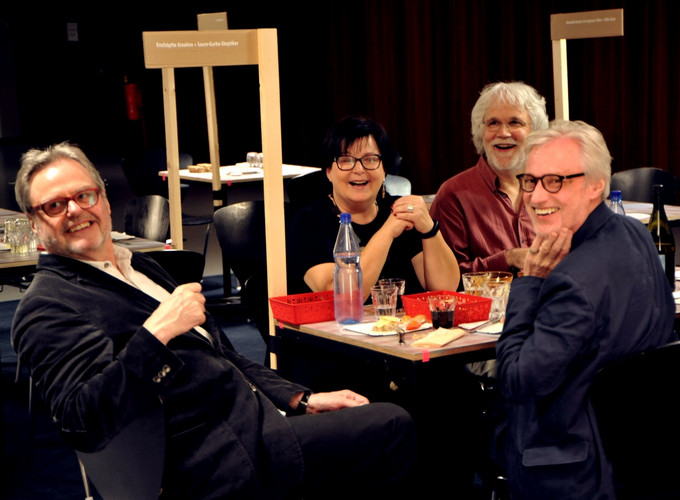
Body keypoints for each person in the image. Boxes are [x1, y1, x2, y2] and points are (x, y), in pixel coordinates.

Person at [10, 142, 418, 500]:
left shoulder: (141, 267)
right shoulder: (48, 304)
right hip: (215, 459)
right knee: (391, 425)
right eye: (54, 205)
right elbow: (84, 420)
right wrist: (158, 332)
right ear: (34, 222)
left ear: (105, 199)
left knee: (387, 408)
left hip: (254, 422)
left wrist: (301, 399)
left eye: (84, 195)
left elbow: (225, 355)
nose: (75, 211)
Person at [495, 120, 677, 499]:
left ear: (596, 186)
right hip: (642, 453)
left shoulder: (569, 280)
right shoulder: (635, 234)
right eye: (530, 181)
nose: (538, 197)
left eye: (556, 181)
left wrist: (529, 281)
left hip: (572, 467)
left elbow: (515, 381)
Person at [288, 115, 459, 298]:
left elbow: (445, 289)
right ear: (329, 171)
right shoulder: (309, 223)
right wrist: (387, 232)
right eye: (346, 160)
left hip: (406, 324)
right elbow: (342, 296)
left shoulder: (400, 211)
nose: (359, 169)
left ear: (384, 169)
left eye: (370, 159)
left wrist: (429, 229)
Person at [430, 81, 549, 276]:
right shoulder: (453, 195)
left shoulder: (551, 188)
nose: (503, 133)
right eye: (493, 123)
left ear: (534, 131)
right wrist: (509, 258)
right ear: (480, 131)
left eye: (514, 122)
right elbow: (447, 280)